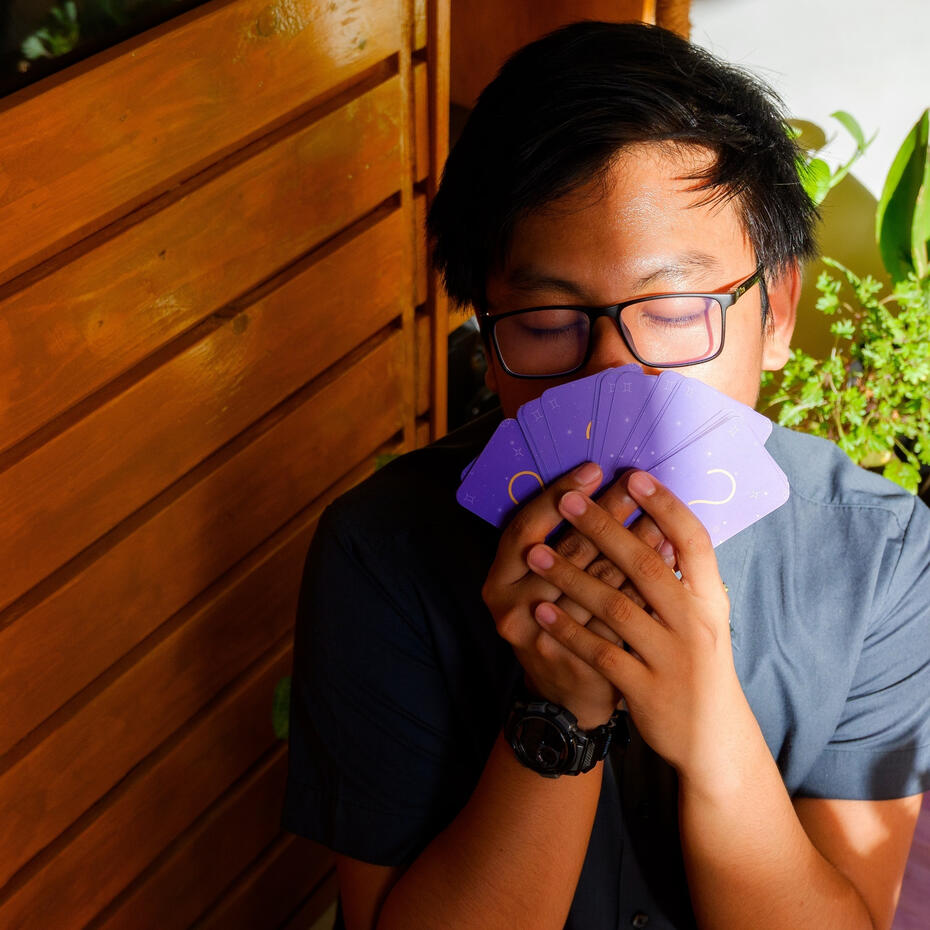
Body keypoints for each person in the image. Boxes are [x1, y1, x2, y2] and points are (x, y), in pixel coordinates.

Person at [282, 21, 930, 930]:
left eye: (675, 310)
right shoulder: (382, 552)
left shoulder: (879, 557)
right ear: (487, 340)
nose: (614, 376)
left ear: (777, 311)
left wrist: (712, 730)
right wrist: (558, 713)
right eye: (547, 323)